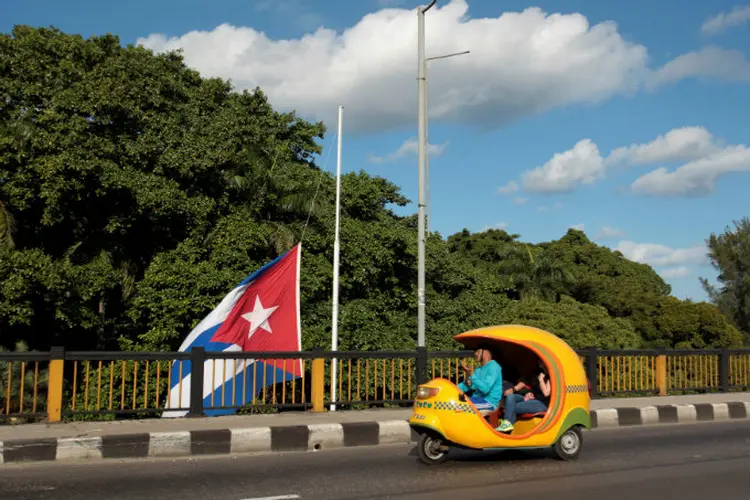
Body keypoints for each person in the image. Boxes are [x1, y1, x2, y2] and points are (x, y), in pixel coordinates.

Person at [496, 364, 550, 433]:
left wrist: (541, 380)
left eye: (543, 364)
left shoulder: (549, 377)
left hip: (542, 403)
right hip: (532, 399)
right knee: (511, 396)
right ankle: (507, 424)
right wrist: (529, 394)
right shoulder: (535, 375)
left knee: (512, 407)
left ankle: (508, 425)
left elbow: (546, 393)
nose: (541, 366)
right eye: (540, 364)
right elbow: (525, 384)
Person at [457, 345, 504, 415]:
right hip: (477, 400)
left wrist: (471, 375)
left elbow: (485, 389)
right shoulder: (478, 369)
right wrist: (450, 389)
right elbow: (466, 386)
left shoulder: (494, 367)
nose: (475, 354)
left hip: (489, 403)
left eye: (478, 351)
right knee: (453, 402)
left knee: (458, 407)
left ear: (485, 352)